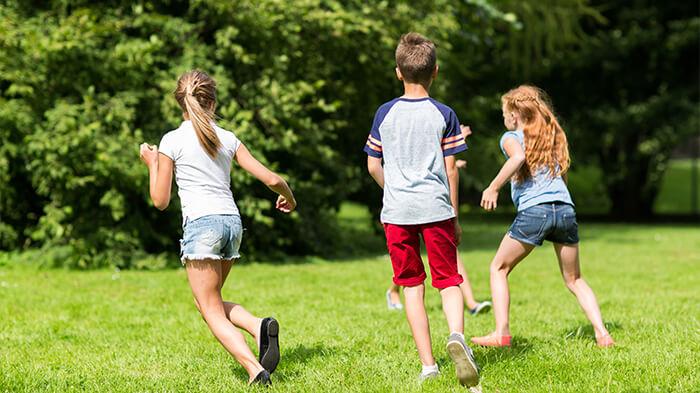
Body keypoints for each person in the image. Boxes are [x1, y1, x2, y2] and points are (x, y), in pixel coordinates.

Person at [138, 70, 297, 385]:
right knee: (207, 301)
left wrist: (152, 164)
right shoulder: (227, 137)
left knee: (209, 309)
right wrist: (288, 198)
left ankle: (255, 369)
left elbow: (160, 200)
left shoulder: (172, 140)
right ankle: (257, 324)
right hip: (231, 224)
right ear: (212, 101)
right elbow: (272, 179)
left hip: (202, 226)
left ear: (180, 103)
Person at [365, 32, 480, 387]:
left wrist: (395, 190)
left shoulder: (385, 113)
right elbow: (450, 170)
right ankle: (457, 336)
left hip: (397, 212)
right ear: (436, 71)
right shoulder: (444, 113)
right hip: (436, 208)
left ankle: (428, 365)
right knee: (448, 280)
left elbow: (372, 166)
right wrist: (455, 217)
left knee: (412, 285)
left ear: (398, 71)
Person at [470, 85, 614, 348]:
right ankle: (602, 334)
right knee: (575, 279)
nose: (504, 119)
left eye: (504, 113)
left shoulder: (510, 137)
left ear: (514, 114)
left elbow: (518, 158)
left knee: (498, 268)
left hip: (535, 211)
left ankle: (501, 333)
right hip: (565, 209)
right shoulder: (552, 136)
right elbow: (564, 176)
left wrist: (492, 187)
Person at [385, 124, 492, 316]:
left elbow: (433, 162)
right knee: (410, 261)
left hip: (428, 204)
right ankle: (393, 291)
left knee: (442, 259)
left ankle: (471, 303)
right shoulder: (410, 129)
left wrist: (453, 155)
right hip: (411, 204)